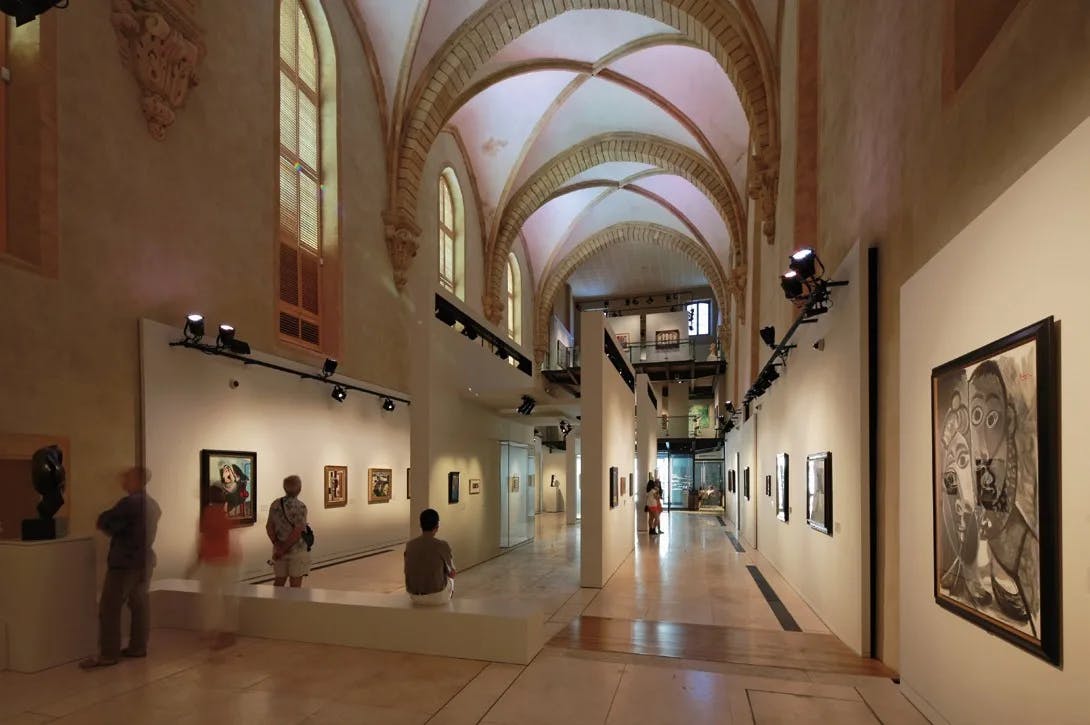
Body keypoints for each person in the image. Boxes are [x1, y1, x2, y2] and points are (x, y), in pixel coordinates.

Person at [80, 466, 161, 669]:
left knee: (109, 607)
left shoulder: (130, 503)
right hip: (143, 561)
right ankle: (138, 646)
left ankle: (108, 654)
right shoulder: (152, 504)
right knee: (139, 604)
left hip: (125, 562)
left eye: (128, 477)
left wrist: (105, 524)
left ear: (137, 480)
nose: (124, 481)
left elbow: (105, 521)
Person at [195, 486, 238, 649]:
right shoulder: (222, 514)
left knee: (213, 597)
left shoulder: (209, 513)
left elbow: (205, 536)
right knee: (223, 596)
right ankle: (223, 631)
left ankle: (219, 631)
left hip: (215, 559)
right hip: (221, 559)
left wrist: (199, 557)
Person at [404, 508, 456, 605]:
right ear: (437, 525)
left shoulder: (410, 545)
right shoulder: (442, 545)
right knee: (451, 578)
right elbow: (451, 573)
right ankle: (448, 603)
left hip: (413, 596)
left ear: (420, 525)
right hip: (437, 596)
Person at [265, 474, 310, 587]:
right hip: (296, 550)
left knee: (279, 581)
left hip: (279, 550)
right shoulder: (300, 507)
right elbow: (297, 532)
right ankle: (292, 605)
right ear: (299, 489)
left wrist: (277, 546)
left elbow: (269, 527)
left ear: (285, 488)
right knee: (295, 584)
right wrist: (284, 548)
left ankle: (275, 604)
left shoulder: (275, 504)